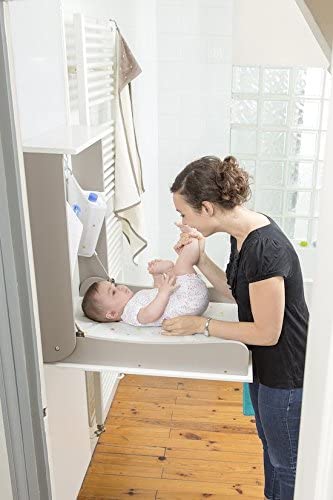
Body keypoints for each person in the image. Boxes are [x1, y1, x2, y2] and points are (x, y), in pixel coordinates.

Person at [162, 155, 309, 500]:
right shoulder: (241, 234)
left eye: (184, 213)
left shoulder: (264, 247)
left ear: (208, 208)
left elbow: (266, 332)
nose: (182, 221)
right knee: (272, 449)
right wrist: (199, 260)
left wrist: (201, 324)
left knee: (286, 462)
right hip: (265, 367)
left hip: (287, 374)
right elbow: (238, 291)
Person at [81, 237, 209, 326]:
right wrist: (163, 294)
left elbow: (156, 294)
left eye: (114, 285)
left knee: (175, 270)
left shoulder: (133, 301)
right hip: (188, 302)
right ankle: (191, 239)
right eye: (113, 292)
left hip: (183, 298)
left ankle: (188, 243)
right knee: (182, 264)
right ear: (112, 314)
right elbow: (150, 314)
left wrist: (156, 276)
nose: (119, 287)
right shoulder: (129, 314)